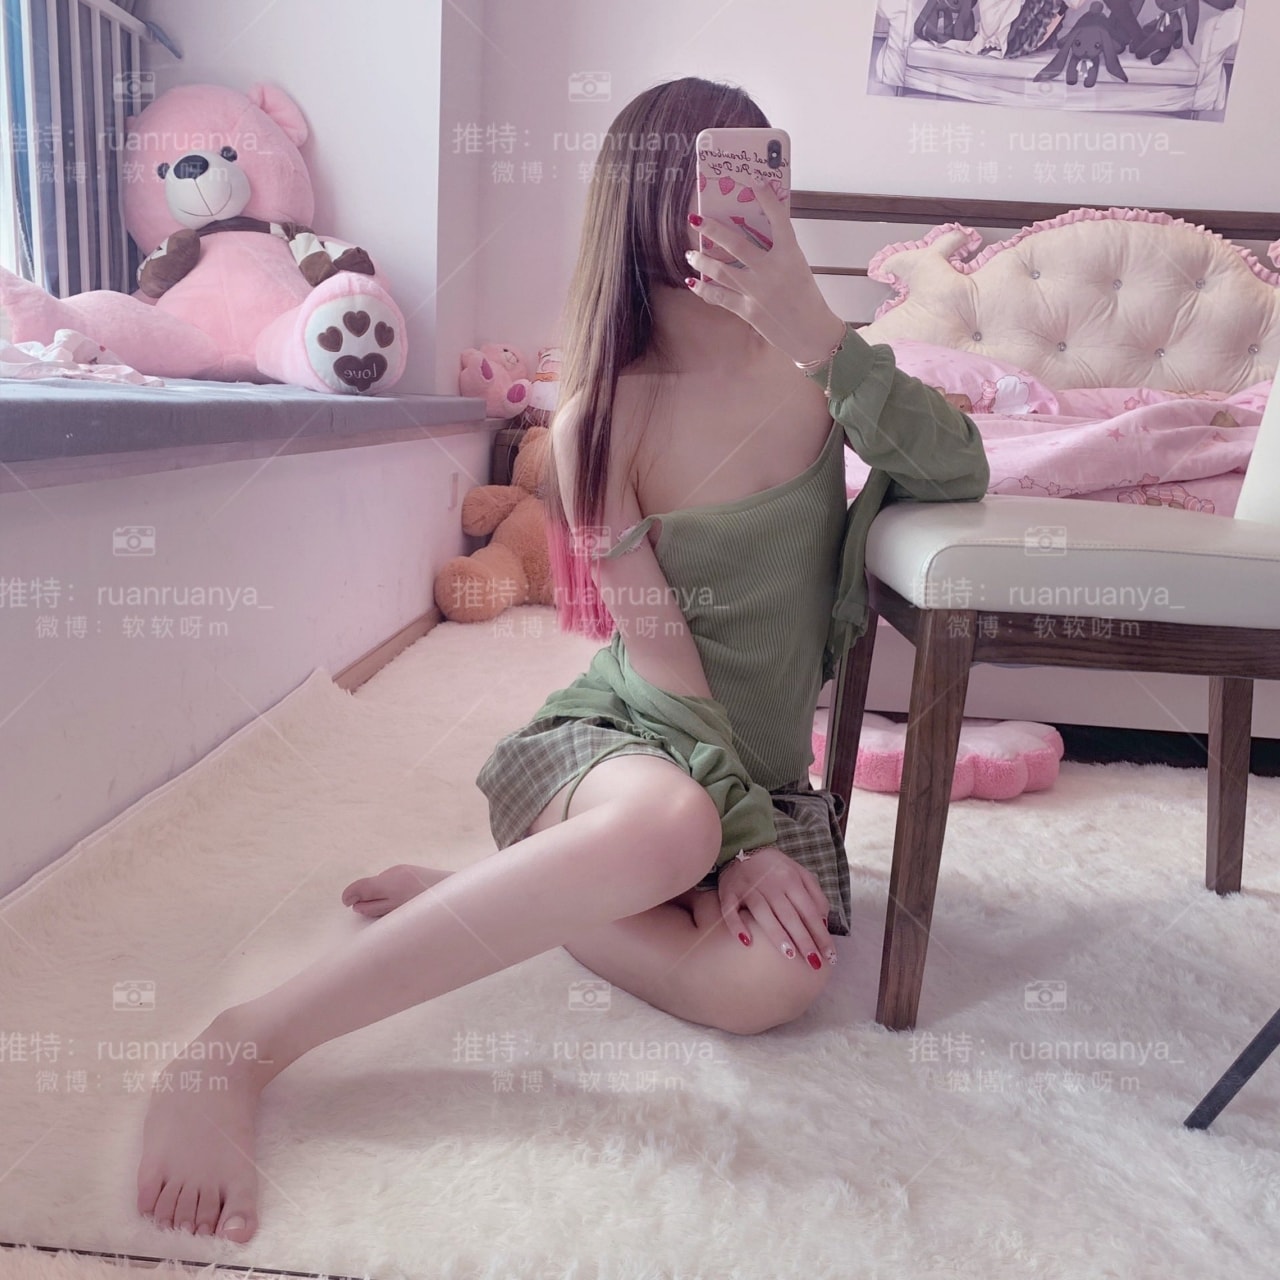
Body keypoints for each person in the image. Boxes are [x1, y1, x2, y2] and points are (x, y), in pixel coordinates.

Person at [135, 76, 989, 1245]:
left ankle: (514, 894)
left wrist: (818, 332)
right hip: (630, 744)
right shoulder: (601, 417)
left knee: (774, 984)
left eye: (759, 174)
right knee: (673, 828)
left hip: (754, 773)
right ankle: (244, 1042)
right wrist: (739, 838)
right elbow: (666, 662)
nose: (732, 205)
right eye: (698, 180)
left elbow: (956, 468)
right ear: (641, 207)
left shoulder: (822, 381)